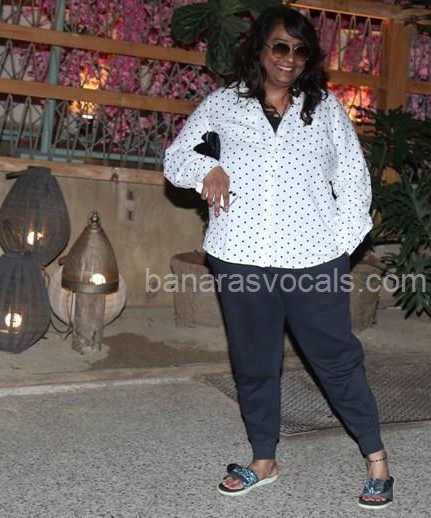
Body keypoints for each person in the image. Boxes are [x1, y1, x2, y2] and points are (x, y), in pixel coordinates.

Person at [164, 5, 393, 509]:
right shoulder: (224, 104)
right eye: (280, 46)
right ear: (260, 49)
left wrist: (340, 246)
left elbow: (354, 179)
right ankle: (263, 460)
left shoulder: (325, 109)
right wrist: (206, 168)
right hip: (240, 256)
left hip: (313, 261)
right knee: (254, 364)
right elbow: (176, 158)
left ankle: (377, 459)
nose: (289, 58)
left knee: (335, 361)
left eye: (300, 50)